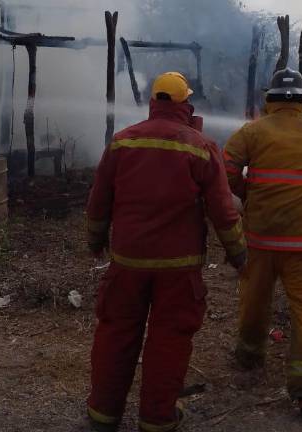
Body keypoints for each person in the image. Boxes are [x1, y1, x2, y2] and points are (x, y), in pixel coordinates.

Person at [85, 71, 247, 432]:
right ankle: (157, 419)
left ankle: (103, 413)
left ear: (153, 104)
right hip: (178, 267)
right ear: (185, 105)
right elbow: (223, 209)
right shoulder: (201, 147)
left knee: (115, 332)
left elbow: (99, 201)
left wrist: (95, 240)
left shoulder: (123, 142)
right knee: (169, 339)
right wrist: (238, 253)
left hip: (127, 262)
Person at [223, 68, 302, 419]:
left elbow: (228, 168)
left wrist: (248, 192)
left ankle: (249, 355)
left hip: (261, 240)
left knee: (254, 298)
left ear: (271, 98)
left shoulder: (251, 132)